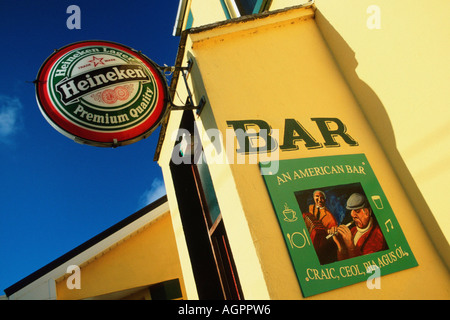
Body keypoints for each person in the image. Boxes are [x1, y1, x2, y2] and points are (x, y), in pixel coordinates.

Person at [330, 193, 387, 261]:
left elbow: (363, 265)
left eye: (357, 211)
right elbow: (345, 263)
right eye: (352, 211)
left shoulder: (378, 235)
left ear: (368, 212)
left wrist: (351, 247)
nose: (353, 215)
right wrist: (341, 246)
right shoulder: (353, 230)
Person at [302, 190, 338, 264]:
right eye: (317, 196)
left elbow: (333, 237)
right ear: (313, 197)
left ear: (324, 200)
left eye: (322, 198)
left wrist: (331, 231)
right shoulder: (310, 207)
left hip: (320, 248)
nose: (319, 199)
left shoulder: (330, 217)